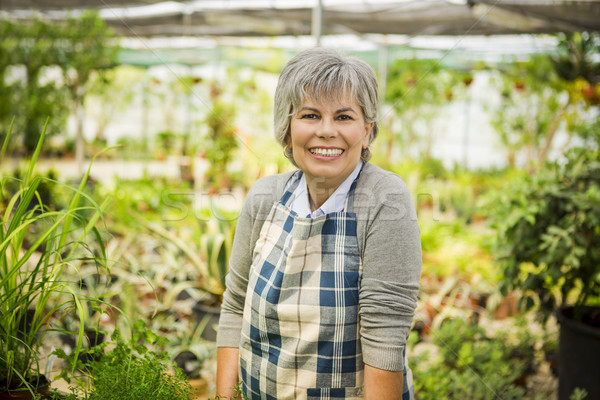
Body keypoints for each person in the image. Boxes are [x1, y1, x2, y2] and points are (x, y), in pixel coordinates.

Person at [216, 47, 421, 400]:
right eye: (310, 115)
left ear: (367, 131)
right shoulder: (265, 197)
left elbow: (384, 341)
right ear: (288, 127)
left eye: (343, 117)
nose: (326, 132)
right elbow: (235, 307)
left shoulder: (385, 200)